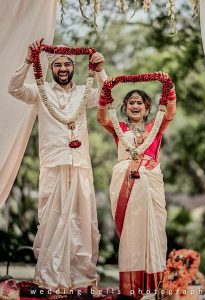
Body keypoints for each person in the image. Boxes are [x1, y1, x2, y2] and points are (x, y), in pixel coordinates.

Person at [8, 39, 108, 296]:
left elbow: (107, 95)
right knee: (52, 220)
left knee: (82, 221)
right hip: (53, 162)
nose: (63, 68)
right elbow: (14, 88)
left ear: (73, 68)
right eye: (58, 64)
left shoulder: (82, 93)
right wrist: (28, 61)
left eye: (67, 64)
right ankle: (50, 279)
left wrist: (99, 70)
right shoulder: (41, 92)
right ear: (51, 69)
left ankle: (81, 279)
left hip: (80, 164)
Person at [97, 77, 176, 299]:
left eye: (139, 102)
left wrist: (168, 86)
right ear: (125, 107)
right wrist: (105, 93)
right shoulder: (119, 128)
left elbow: (170, 112)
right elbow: (101, 117)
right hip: (126, 185)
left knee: (155, 232)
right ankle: (131, 289)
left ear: (147, 107)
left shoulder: (155, 126)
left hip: (150, 184)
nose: (134, 106)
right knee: (132, 235)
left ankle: (153, 288)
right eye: (131, 102)